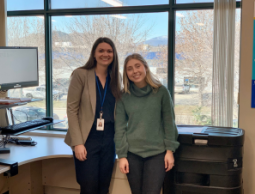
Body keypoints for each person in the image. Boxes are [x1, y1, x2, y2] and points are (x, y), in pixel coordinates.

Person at [114, 53, 180, 194]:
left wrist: (170, 151)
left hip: (157, 154)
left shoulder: (161, 92)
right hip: (132, 154)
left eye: (138, 66)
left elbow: (169, 123)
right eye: (129, 68)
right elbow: (119, 128)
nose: (135, 71)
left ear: (145, 67)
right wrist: (122, 156)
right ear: (126, 73)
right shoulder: (123, 96)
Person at [64, 37, 121, 194]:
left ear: (114, 54)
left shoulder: (116, 77)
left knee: (104, 188)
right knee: (89, 188)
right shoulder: (81, 74)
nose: (105, 54)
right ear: (94, 54)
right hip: (87, 139)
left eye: (109, 51)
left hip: (109, 139)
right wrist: (78, 143)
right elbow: (72, 109)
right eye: (101, 50)